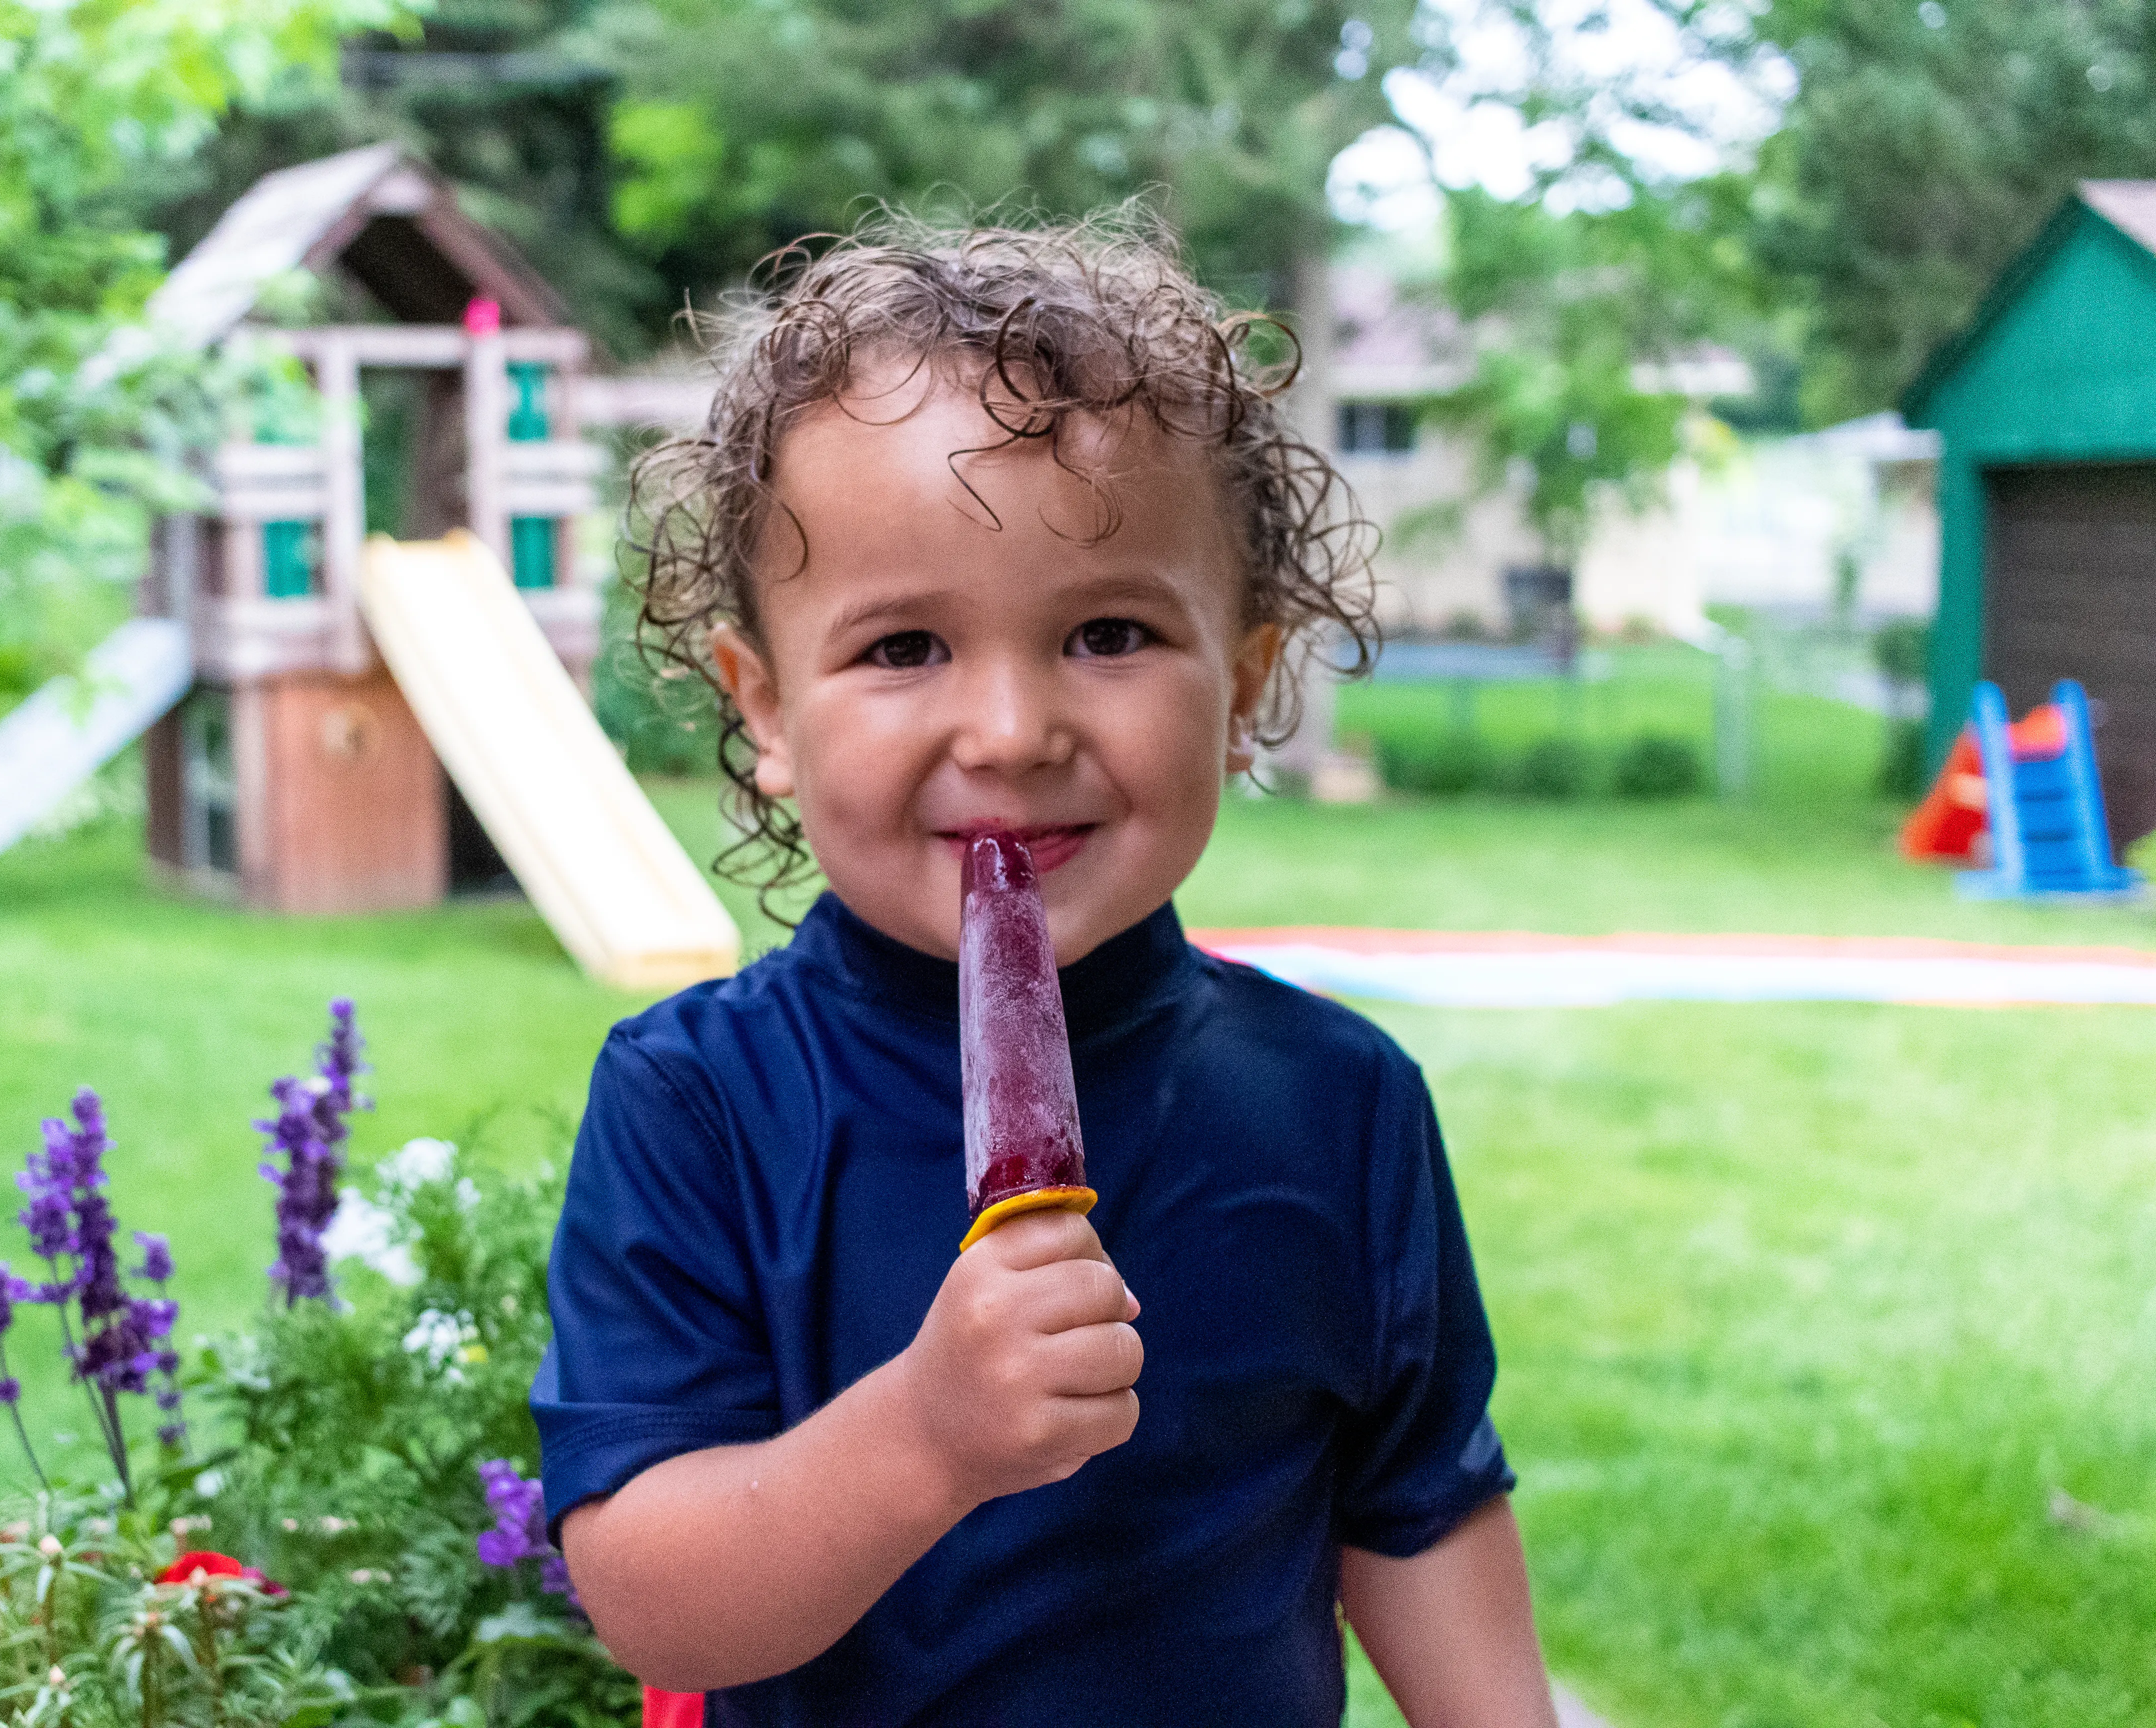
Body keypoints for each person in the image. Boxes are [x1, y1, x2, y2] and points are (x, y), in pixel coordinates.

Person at [532, 210, 1556, 1727]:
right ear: (763, 707)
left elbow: (1420, 1514)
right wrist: (927, 1438)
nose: (1011, 732)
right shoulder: (699, 1105)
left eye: (1110, 631)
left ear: (1246, 684)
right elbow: (658, 1608)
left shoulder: (1341, 1106)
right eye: (901, 650)